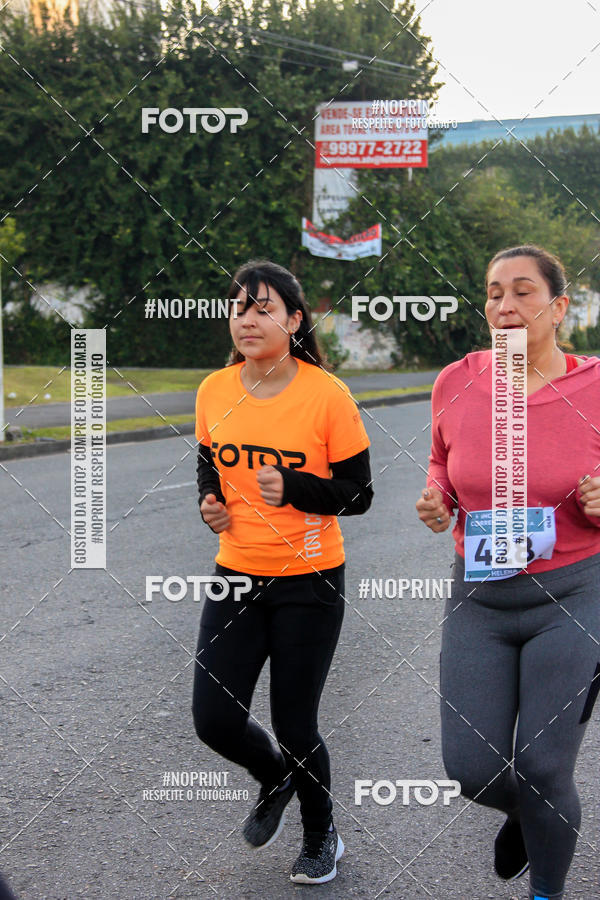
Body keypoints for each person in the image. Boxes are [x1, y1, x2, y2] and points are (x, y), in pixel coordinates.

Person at [416, 245, 600, 900]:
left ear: (559, 307)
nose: (505, 306)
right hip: (481, 597)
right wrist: (438, 498)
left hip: (576, 594)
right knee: (472, 770)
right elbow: (443, 465)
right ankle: (528, 817)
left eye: (523, 292)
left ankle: (546, 890)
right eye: (494, 292)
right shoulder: (456, 381)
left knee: (546, 766)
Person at [192, 260, 373, 884]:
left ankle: (324, 838)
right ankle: (274, 778)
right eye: (239, 307)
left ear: (295, 321)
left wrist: (295, 486)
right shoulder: (214, 389)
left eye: (264, 307)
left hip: (310, 581)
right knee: (213, 718)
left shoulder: (326, 395)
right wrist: (210, 505)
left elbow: (358, 492)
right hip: (235, 575)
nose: (248, 318)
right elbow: (208, 467)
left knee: (296, 724)